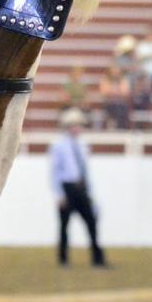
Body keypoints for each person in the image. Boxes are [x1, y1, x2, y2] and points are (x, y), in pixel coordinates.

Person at [49, 108, 106, 267]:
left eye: (79, 125)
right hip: (67, 188)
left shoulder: (82, 145)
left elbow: (86, 170)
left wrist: (90, 191)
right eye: (75, 125)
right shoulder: (59, 146)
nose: (78, 128)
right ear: (68, 127)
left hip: (82, 188)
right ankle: (63, 259)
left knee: (91, 223)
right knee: (64, 226)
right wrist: (59, 195)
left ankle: (98, 258)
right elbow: (54, 172)